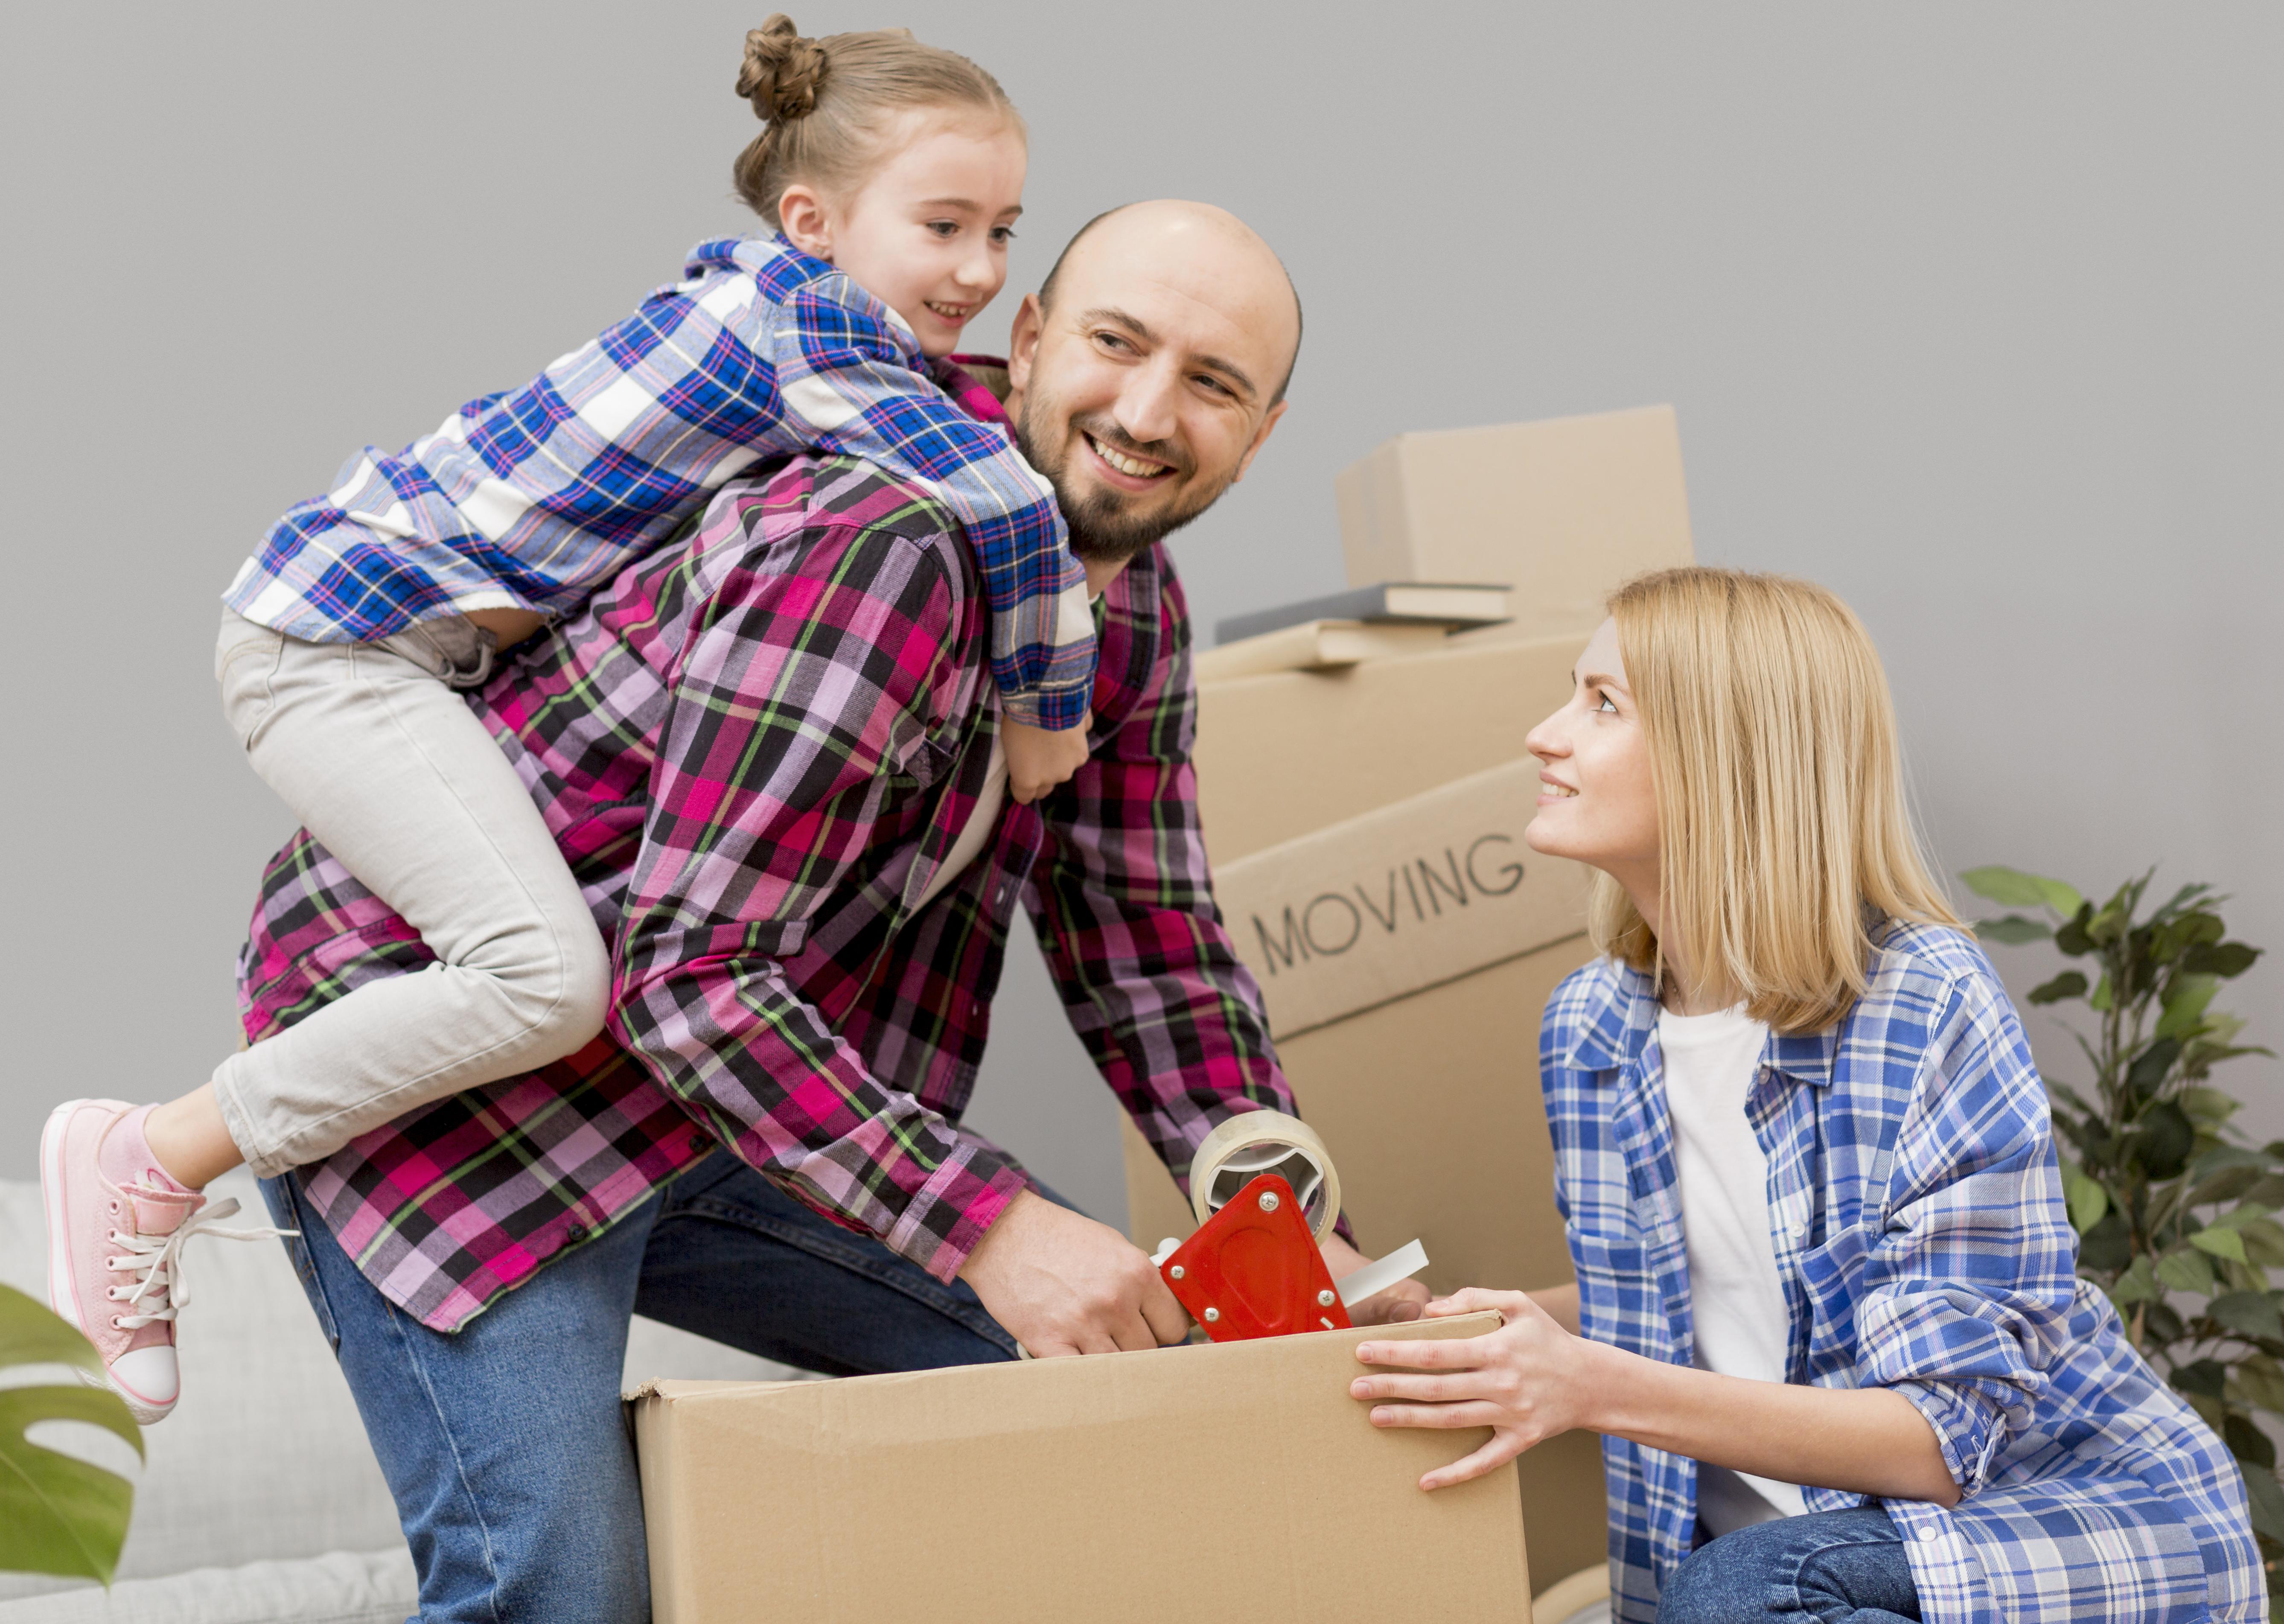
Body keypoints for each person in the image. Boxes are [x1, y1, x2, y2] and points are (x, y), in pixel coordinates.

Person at [202, 199, 1424, 1624]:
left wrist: (1282, 1218)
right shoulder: (883, 537)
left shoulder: (1130, 606)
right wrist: (990, 1226)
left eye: (1212, 383)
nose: (1148, 413)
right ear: (1027, 342)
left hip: (728, 1102)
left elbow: (1147, 939)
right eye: (1115, 344)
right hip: (470, 1096)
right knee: (561, 1595)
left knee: (1121, 1383)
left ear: (1263, 428)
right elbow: (689, 977)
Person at [42, 17, 1109, 1424]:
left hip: (403, 645)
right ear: (816, 220)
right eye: (945, 226)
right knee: (544, 979)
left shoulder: (776, 304)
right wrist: (1048, 710)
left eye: (1004, 232)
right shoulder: (814, 332)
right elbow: (1001, 499)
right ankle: (153, 1152)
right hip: (331, 638)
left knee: (545, 970)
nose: (979, 270)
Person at [1346, 569, 2262, 1623]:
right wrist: (1491, 1336)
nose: (1544, 735)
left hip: (2029, 1537)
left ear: (1725, 756)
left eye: (1603, 704)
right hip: (1775, 1577)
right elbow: (1705, 1291)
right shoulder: (1592, 1026)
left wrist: (1584, 1384)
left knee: (1742, 1585)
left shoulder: (1919, 998)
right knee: (1728, 1588)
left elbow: (1937, 1443)